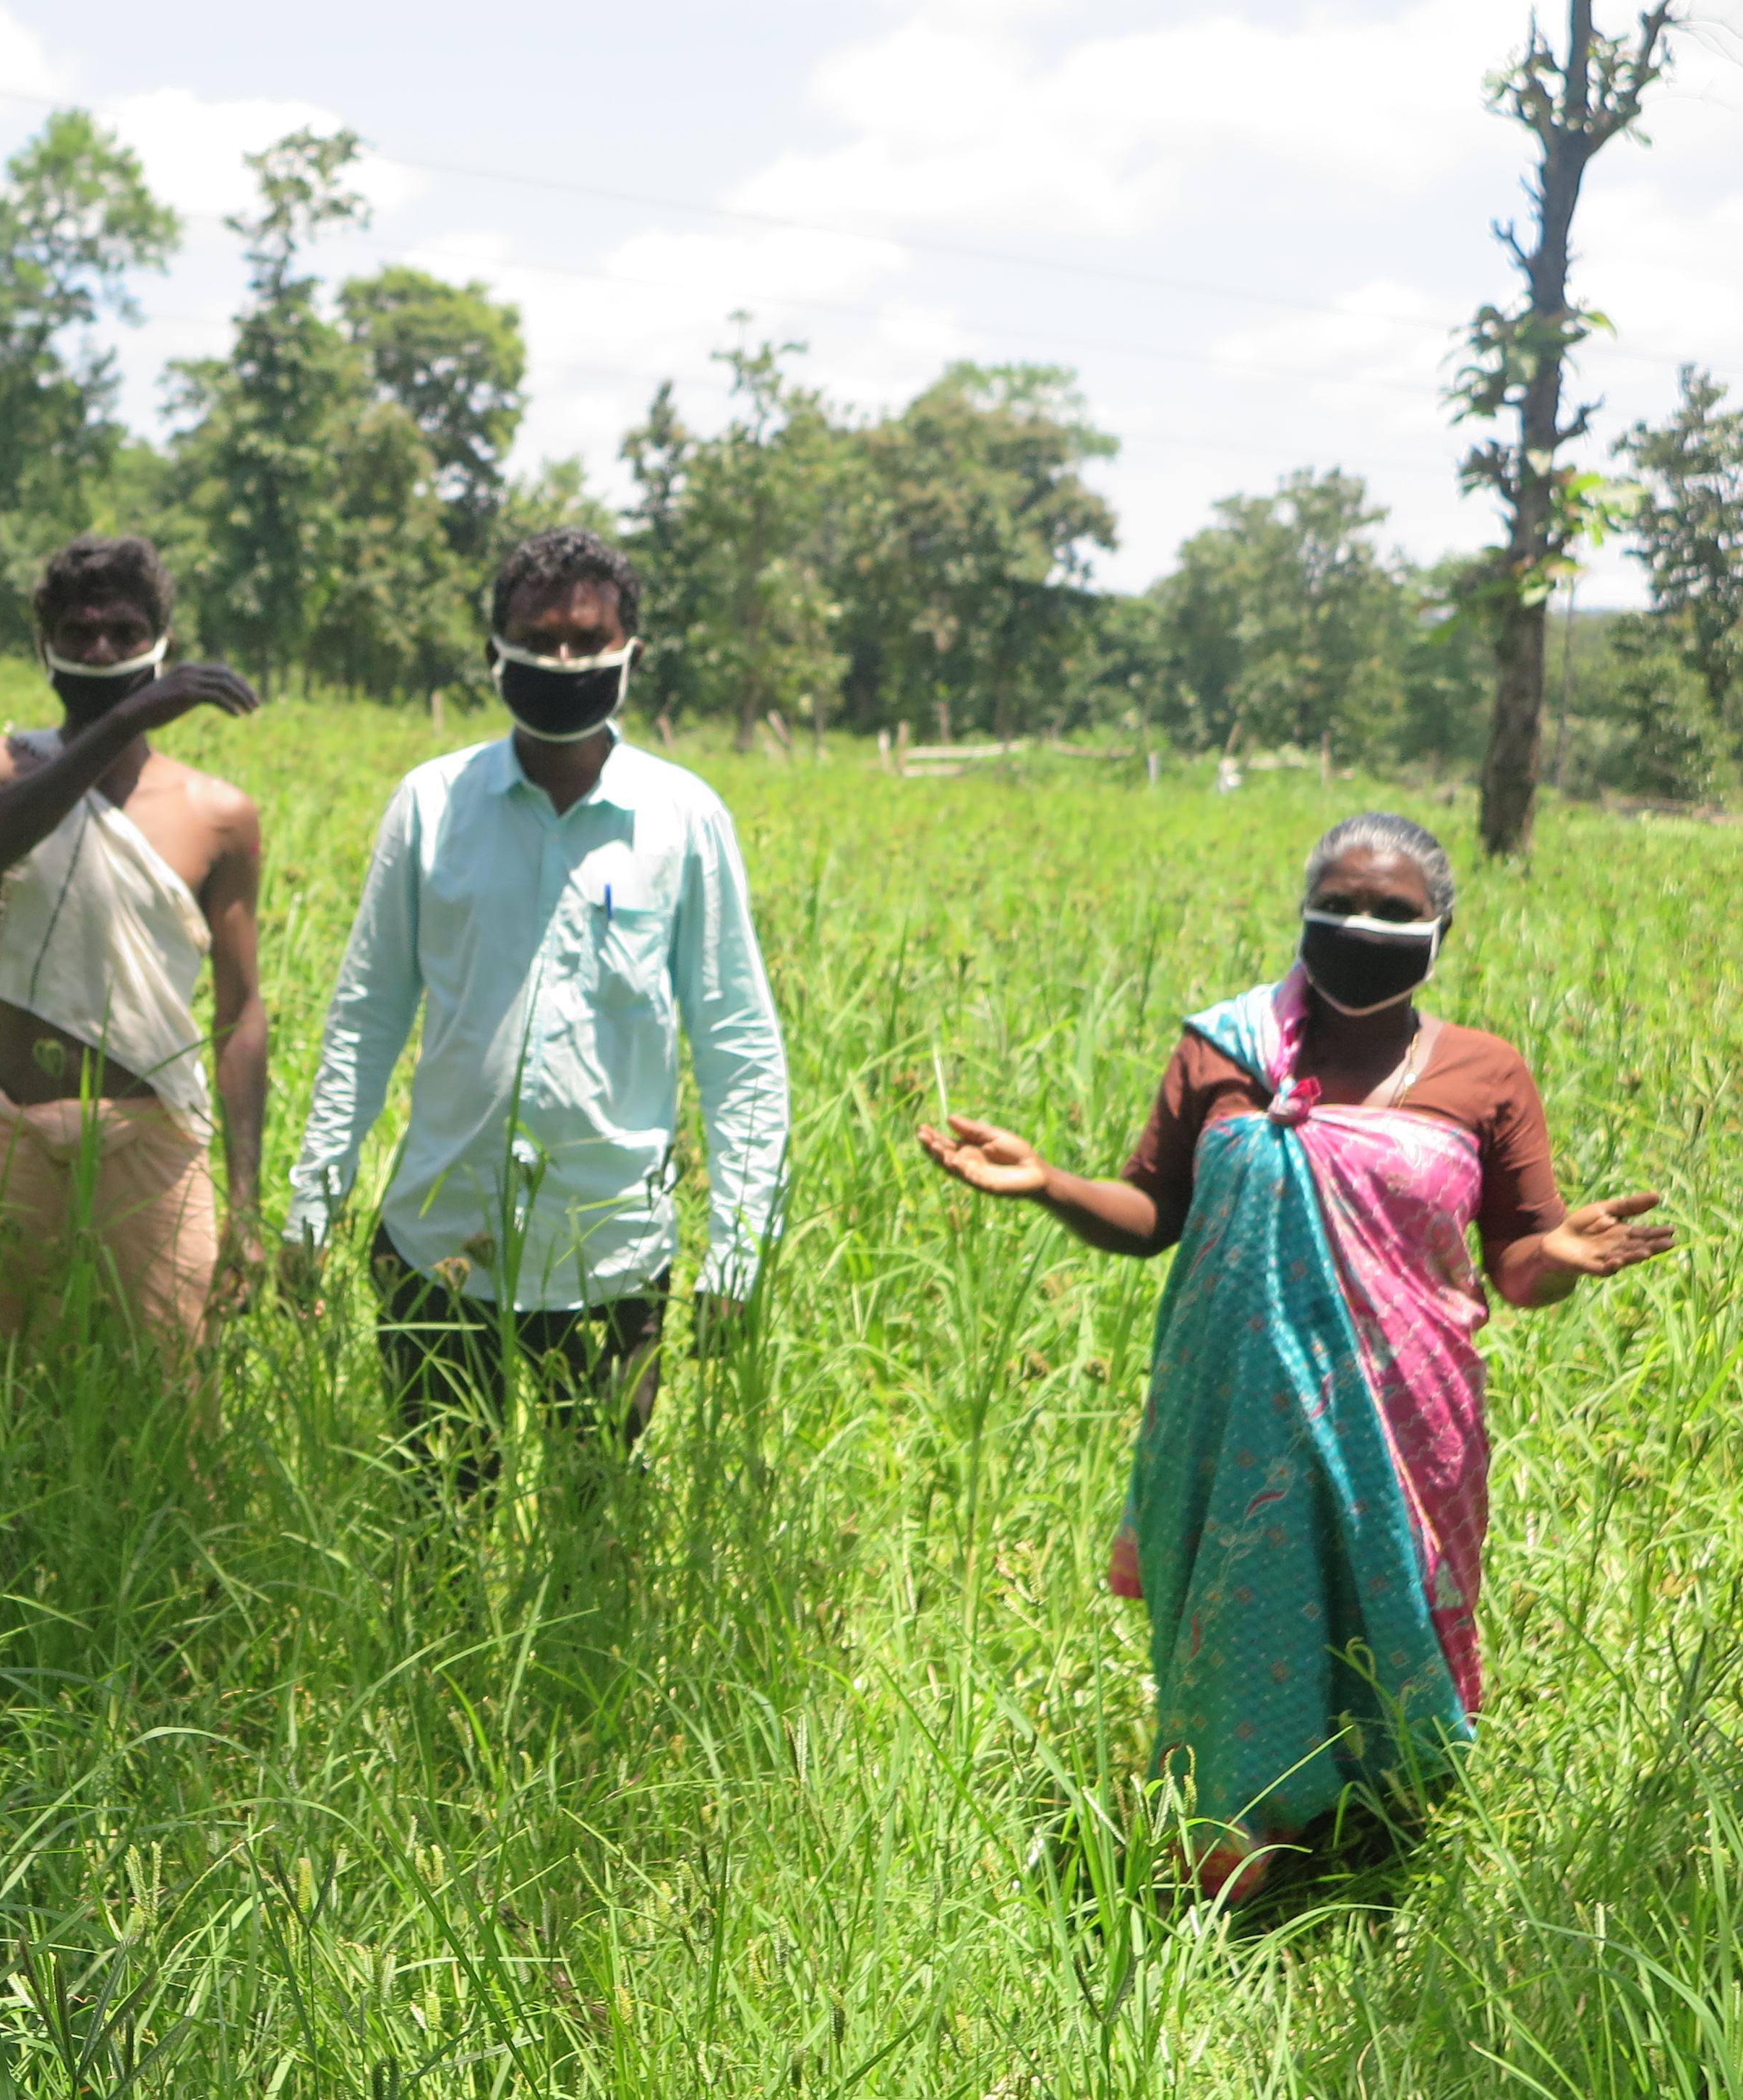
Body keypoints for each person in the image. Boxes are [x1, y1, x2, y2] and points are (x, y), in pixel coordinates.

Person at [917, 813, 1677, 1898]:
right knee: (1238, 1621)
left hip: (1407, 1432)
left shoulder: (1484, 1073)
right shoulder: (1225, 1052)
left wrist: (1554, 1254)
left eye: (1394, 912)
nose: (1363, 924)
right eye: (1342, 902)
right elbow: (1151, 1212)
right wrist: (1048, 1183)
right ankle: (1235, 1863)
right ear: (1303, 910)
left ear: (1441, 928)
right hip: (1238, 1421)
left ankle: (1385, 1845)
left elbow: (1515, 1266)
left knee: (1389, 1625)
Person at [280, 528, 792, 1507]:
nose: (563, 662)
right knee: (437, 1521)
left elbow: (738, 1044)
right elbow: (366, 1016)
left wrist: (740, 1243)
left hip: (609, 1256)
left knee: (594, 1535)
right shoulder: (432, 805)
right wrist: (318, 1194)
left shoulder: (682, 820)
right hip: (441, 1245)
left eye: (587, 639)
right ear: (493, 653)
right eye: (538, 638)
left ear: (631, 651)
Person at [0, 536, 267, 1367]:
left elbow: (239, 1012)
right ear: (42, 650)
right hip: (11, 1127)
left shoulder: (216, 813)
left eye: (123, 633)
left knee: (173, 1394)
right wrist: (125, 717)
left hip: (152, 1141)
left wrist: (248, 1204)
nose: (100, 651)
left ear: (160, 644)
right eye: (78, 633)